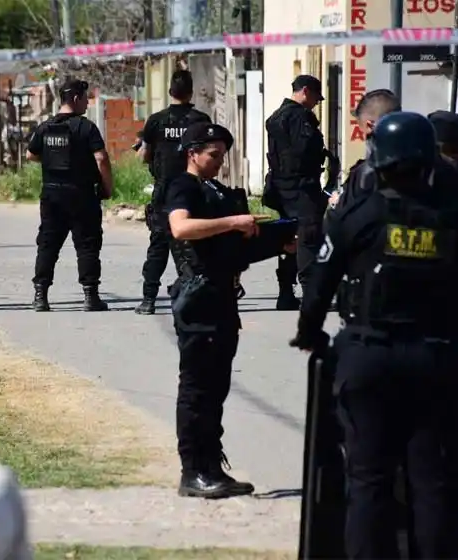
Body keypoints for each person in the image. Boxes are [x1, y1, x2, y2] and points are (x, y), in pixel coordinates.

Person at [291, 111, 458, 558]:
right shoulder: (451, 218)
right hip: (435, 359)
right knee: (433, 483)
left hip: (369, 355)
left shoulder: (361, 214)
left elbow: (319, 278)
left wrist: (308, 331)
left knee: (368, 481)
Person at [166, 122, 297, 499]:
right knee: (197, 388)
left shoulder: (218, 190)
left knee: (216, 387)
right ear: (192, 152)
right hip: (199, 295)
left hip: (221, 294)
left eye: (223, 154)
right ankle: (193, 471)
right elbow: (181, 228)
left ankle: (211, 467)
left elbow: (231, 247)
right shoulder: (183, 186)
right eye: (213, 154)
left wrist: (276, 241)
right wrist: (233, 222)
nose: (219, 161)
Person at [26, 78, 114, 312]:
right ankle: (90, 296)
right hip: (81, 195)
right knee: (86, 245)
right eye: (85, 98)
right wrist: (108, 186)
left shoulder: (45, 127)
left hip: (52, 194)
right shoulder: (85, 127)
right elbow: (102, 158)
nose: (87, 103)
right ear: (76, 98)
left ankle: (40, 296)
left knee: (48, 244)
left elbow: (30, 155)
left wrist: (52, 159)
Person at [134, 70, 212, 315]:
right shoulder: (201, 120)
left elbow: (144, 155)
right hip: (192, 190)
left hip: (164, 190)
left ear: (170, 92)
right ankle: (194, 297)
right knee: (193, 247)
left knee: (158, 246)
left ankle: (148, 300)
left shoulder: (156, 120)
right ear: (191, 92)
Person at [264, 74, 329, 310]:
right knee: (308, 239)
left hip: (279, 187)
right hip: (301, 188)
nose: (316, 103)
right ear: (305, 91)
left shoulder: (276, 116)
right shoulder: (300, 117)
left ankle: (285, 293)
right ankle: (311, 294)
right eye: (315, 97)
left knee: (287, 240)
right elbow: (304, 151)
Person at [331, 89, 402, 211]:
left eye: (361, 128)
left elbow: (345, 223)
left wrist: (338, 204)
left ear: (369, 126)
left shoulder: (365, 173)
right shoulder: (429, 163)